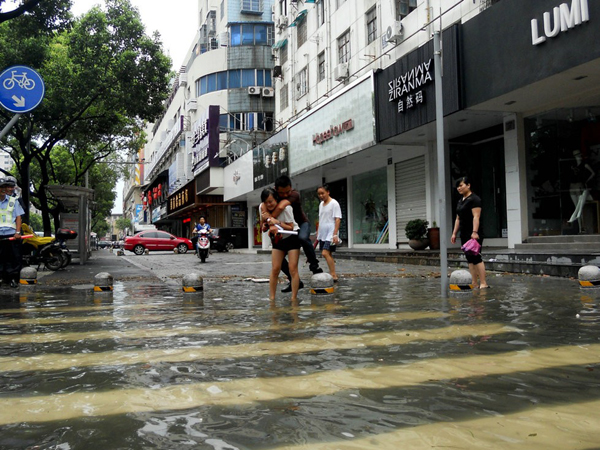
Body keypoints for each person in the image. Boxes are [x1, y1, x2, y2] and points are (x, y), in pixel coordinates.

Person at [261, 175, 323, 293]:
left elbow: (280, 207)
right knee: (279, 261)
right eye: (282, 193)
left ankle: (314, 265)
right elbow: (264, 204)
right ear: (276, 189)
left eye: (287, 191)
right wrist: (268, 220)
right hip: (285, 228)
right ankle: (295, 281)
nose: (285, 195)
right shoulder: (272, 194)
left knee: (303, 238)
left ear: (291, 188)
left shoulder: (294, 195)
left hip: (300, 224)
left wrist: (268, 219)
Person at [259, 187, 301, 302]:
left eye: (271, 201)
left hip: (292, 237)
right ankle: (272, 298)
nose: (269, 204)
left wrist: (277, 222)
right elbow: (263, 228)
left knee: (293, 268)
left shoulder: (286, 208)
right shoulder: (262, 208)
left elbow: (291, 227)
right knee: (275, 268)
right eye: (266, 202)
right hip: (278, 240)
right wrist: (266, 223)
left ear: (276, 199)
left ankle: (294, 298)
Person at [450, 176, 489, 289]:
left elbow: (476, 216)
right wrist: (454, 233)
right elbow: (458, 218)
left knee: (476, 257)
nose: (459, 188)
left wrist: (475, 232)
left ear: (468, 185)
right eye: (457, 186)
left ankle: (483, 283)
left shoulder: (475, 199)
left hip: (474, 233)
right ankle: (474, 282)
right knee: (469, 259)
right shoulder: (460, 201)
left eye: (461, 185)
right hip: (464, 233)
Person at [0, 177, 25, 288]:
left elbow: (18, 217)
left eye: (4, 187)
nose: (3, 189)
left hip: (12, 234)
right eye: (1, 187)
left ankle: (13, 279)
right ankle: (2, 277)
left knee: (14, 257)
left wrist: (18, 232)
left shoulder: (13, 201)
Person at [316, 184, 342, 282]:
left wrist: (335, 234)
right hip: (323, 232)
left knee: (325, 253)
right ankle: (333, 274)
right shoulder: (321, 204)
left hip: (331, 232)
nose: (321, 196)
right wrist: (318, 232)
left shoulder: (334, 203)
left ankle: (333, 274)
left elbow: (337, 219)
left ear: (328, 192)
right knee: (329, 253)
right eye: (319, 194)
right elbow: (320, 218)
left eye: (322, 193)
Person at [567, 149, 595, 232]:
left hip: (579, 185)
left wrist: (586, 180)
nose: (578, 156)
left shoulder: (584, 164)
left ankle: (581, 228)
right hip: (572, 186)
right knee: (577, 207)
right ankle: (580, 228)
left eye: (578, 154)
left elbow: (593, 173)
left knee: (579, 207)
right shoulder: (572, 165)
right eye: (576, 155)